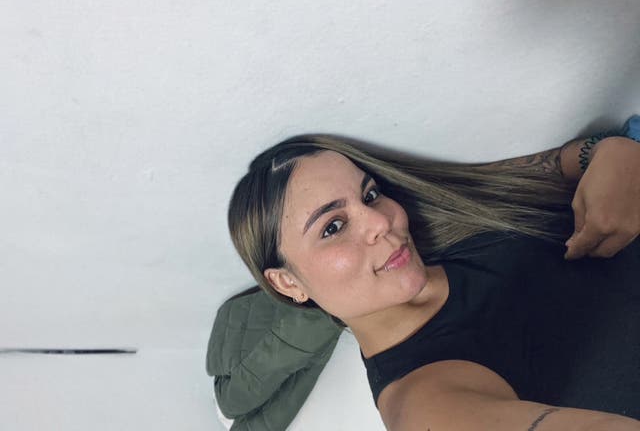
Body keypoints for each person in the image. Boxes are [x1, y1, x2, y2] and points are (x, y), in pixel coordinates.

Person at [227, 119, 640, 430]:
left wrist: (615, 152)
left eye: (369, 195)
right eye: (333, 227)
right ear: (288, 283)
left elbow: (563, 163)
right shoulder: (423, 401)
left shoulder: (445, 220)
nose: (380, 221)